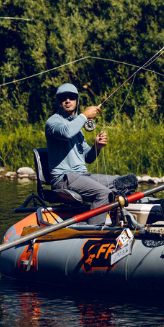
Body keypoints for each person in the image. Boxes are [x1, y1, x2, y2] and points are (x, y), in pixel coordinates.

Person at [45, 83, 137, 224]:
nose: (68, 100)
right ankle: (94, 230)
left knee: (127, 183)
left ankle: (121, 223)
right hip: (64, 179)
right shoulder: (53, 122)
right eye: (63, 97)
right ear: (59, 101)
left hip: (83, 176)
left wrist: (96, 146)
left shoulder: (77, 125)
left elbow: (88, 158)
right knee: (104, 194)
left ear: (77, 100)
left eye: (72, 97)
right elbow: (66, 133)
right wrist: (84, 115)